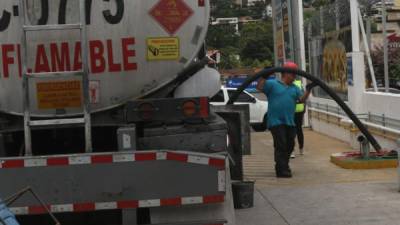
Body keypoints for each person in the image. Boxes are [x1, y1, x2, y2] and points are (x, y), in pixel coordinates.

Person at [256, 61, 316, 178]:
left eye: (295, 74)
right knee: (281, 144)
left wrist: (308, 90)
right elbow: (259, 87)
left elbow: (301, 100)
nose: (294, 77)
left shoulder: (294, 88)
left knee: (290, 144)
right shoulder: (273, 84)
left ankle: (283, 165)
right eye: (293, 74)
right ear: (285, 74)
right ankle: (282, 169)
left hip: (289, 121)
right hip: (275, 121)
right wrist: (264, 76)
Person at [294, 78, 306, 156]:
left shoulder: (287, 84)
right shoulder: (299, 83)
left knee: (292, 130)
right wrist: (304, 107)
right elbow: (304, 96)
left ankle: (292, 151)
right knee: (299, 130)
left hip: (293, 110)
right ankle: (301, 149)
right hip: (300, 109)